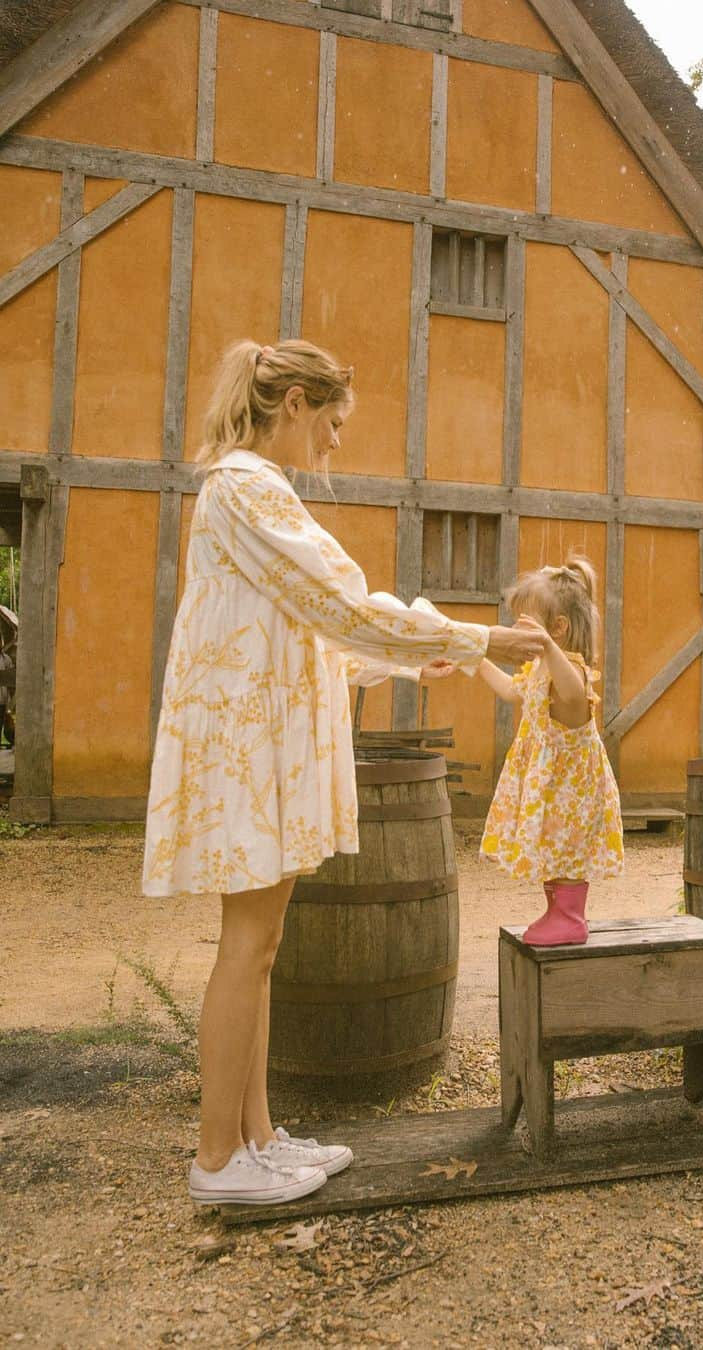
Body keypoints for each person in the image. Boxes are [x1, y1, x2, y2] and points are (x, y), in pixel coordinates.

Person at [142, 339, 544, 1206]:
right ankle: (218, 1161)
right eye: (331, 423)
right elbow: (342, 606)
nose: (334, 443)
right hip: (247, 750)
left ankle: (255, 1137)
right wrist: (474, 638)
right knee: (247, 946)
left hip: (254, 739)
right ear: (291, 403)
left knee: (261, 946)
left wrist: (406, 663)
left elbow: (308, 628)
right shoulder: (248, 485)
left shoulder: (250, 489)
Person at [472, 556, 624, 944]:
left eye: (525, 625)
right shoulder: (540, 669)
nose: (515, 633)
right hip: (554, 787)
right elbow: (510, 691)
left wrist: (546, 649)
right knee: (553, 845)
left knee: (568, 845)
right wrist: (470, 659)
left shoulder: (570, 670)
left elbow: (575, 693)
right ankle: (558, 911)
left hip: (573, 790)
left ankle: (572, 918)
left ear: (557, 629)